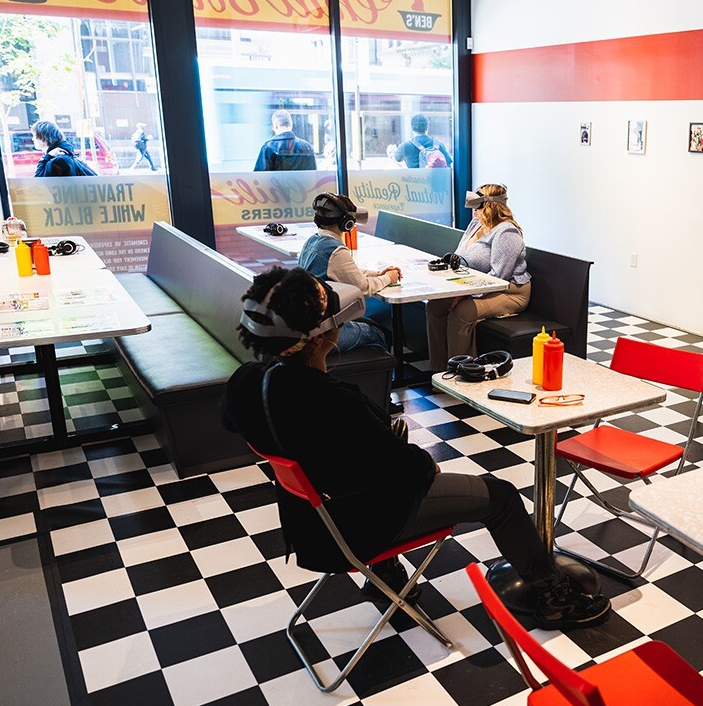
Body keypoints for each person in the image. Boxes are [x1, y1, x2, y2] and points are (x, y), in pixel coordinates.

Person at [222, 267, 610, 630]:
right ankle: (554, 598)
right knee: (503, 498)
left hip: (309, 525)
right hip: (360, 527)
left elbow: (253, 428)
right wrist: (427, 465)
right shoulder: (334, 401)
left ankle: (385, 579)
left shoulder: (247, 383)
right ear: (325, 336)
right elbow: (408, 470)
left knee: (375, 462)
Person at [426, 184, 531, 372]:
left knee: (462, 312)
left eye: (477, 204)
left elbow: (499, 277)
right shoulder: (476, 224)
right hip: (473, 284)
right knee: (435, 305)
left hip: (510, 291)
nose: (474, 209)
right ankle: (438, 371)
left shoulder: (506, 232)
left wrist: (465, 295)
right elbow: (460, 255)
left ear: (489, 205)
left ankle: (461, 373)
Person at [296, 192, 396, 356]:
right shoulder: (335, 250)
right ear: (347, 223)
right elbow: (363, 288)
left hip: (307, 325)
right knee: (379, 333)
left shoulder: (312, 242)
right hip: (323, 331)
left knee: (366, 323)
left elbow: (347, 270)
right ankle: (385, 377)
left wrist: (378, 273)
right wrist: (388, 278)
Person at [31, 120, 96, 177]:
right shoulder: (63, 157)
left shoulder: (59, 161)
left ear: (43, 138)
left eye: (34, 135)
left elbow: (39, 181)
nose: (32, 139)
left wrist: (47, 156)